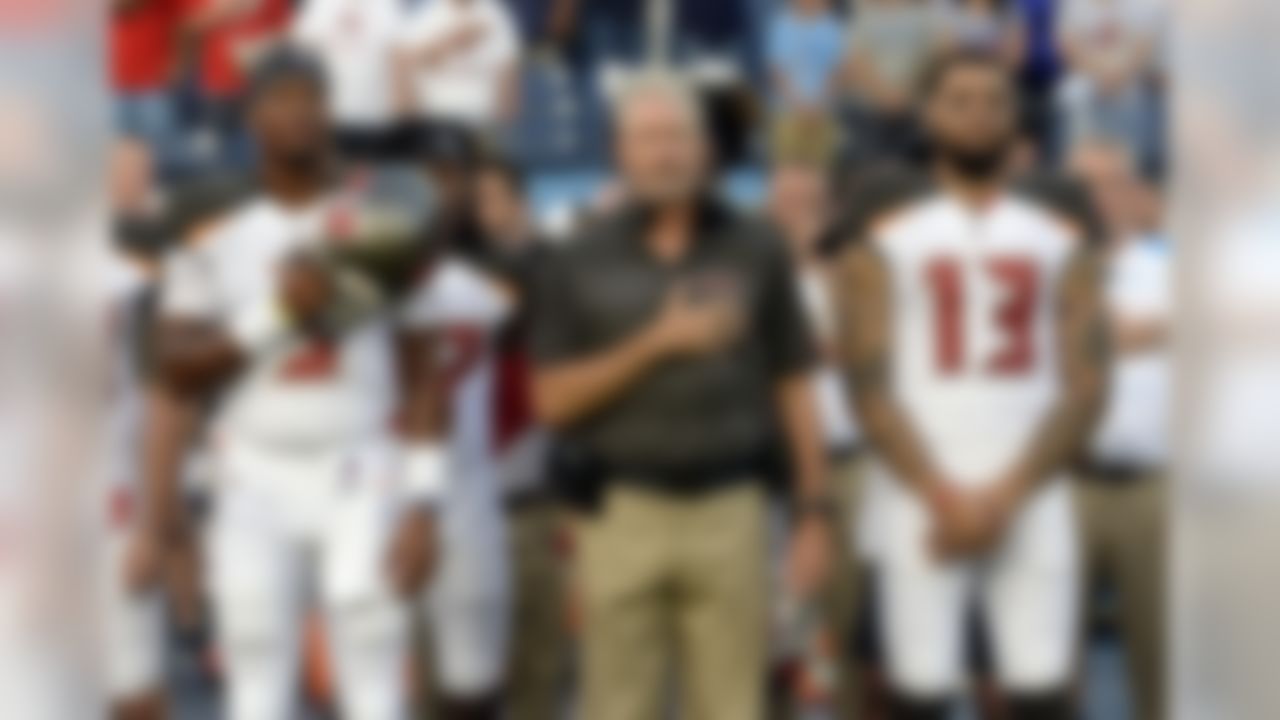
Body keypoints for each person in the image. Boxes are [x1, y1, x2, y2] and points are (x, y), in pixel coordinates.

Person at [530, 73, 833, 720]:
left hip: (732, 507)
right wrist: (658, 343)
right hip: (618, 511)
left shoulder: (757, 247)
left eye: (678, 136)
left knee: (733, 706)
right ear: (620, 152)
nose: (664, 153)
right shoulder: (577, 257)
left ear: (706, 149)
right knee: (617, 705)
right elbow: (552, 402)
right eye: (648, 139)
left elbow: (794, 382)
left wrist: (814, 511)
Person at [148, 49, 439, 720]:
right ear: (251, 115)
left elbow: (424, 368)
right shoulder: (211, 231)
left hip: (362, 462)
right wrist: (278, 314)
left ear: (332, 109)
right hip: (253, 473)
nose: (300, 109)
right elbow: (176, 369)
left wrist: (426, 501)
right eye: (281, 95)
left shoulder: (384, 214)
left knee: (373, 672)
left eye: (314, 94)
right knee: (256, 678)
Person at [830, 51, 1109, 719]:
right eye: (958, 99)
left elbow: (1088, 385)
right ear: (928, 115)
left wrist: (1000, 499)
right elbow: (867, 386)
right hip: (918, 491)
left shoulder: (1062, 240)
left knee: (1041, 693)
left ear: (1018, 118)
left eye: (993, 99)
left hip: (1033, 490)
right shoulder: (881, 242)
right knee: (914, 694)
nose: (978, 113)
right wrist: (944, 496)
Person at [1070, 138, 1169, 720]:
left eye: (1110, 183)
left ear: (1135, 195)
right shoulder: (1037, 276)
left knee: (1166, 668)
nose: (1098, 198)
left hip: (1154, 489)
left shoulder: (1172, 269)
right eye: (1084, 185)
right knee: (1048, 675)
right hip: (1063, 485)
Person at [768, 155, 868, 718]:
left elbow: (859, 348)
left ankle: (834, 708)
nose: (796, 214)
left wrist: (817, 263)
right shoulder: (747, 267)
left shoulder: (854, 271)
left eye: (808, 202)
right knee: (776, 626)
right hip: (768, 468)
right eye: (786, 200)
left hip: (845, 463)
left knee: (836, 617)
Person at [474, 155, 566, 720]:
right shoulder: (437, 270)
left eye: (491, 196)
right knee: (459, 679)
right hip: (460, 501)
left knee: (539, 669)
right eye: (474, 197)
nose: (481, 209)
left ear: (517, 202)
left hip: (532, 496)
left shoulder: (553, 270)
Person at [289, 0, 411, 162]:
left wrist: (403, 119)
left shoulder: (386, 5)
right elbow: (302, 58)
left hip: (377, 120)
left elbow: (399, 57)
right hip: (330, 121)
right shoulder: (318, 6)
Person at [395, 0, 522, 137]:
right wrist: (451, 42)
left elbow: (507, 78)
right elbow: (404, 67)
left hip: (480, 127)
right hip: (432, 121)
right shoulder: (425, 12)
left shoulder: (495, 15)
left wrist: (500, 131)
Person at [842, 0, 944, 160]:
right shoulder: (865, 17)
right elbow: (857, 60)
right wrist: (882, 93)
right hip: (872, 104)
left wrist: (908, 92)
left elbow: (935, 55)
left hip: (915, 102)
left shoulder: (926, 17)